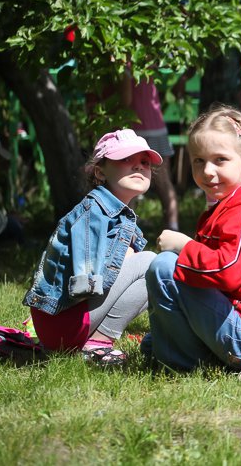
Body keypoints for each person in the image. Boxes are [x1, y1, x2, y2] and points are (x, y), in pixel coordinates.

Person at [144, 106, 241, 372]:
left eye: (220, 160)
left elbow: (228, 272)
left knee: (164, 268)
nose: (208, 170)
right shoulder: (231, 204)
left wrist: (184, 245)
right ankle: (179, 350)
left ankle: (182, 365)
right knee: (152, 341)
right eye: (199, 160)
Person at [23, 129, 161, 366]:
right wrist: (125, 259)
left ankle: (95, 342)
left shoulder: (117, 214)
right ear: (100, 171)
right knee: (152, 264)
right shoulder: (93, 212)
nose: (139, 166)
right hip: (63, 322)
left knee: (154, 267)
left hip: (61, 324)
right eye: (126, 159)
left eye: (145, 162)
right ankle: (97, 343)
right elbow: (84, 283)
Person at [121, 66, 179, 230]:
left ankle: (127, 230)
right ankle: (173, 226)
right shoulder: (146, 63)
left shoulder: (124, 66)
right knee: (164, 182)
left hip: (136, 129)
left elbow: (126, 100)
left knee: (130, 182)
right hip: (157, 127)